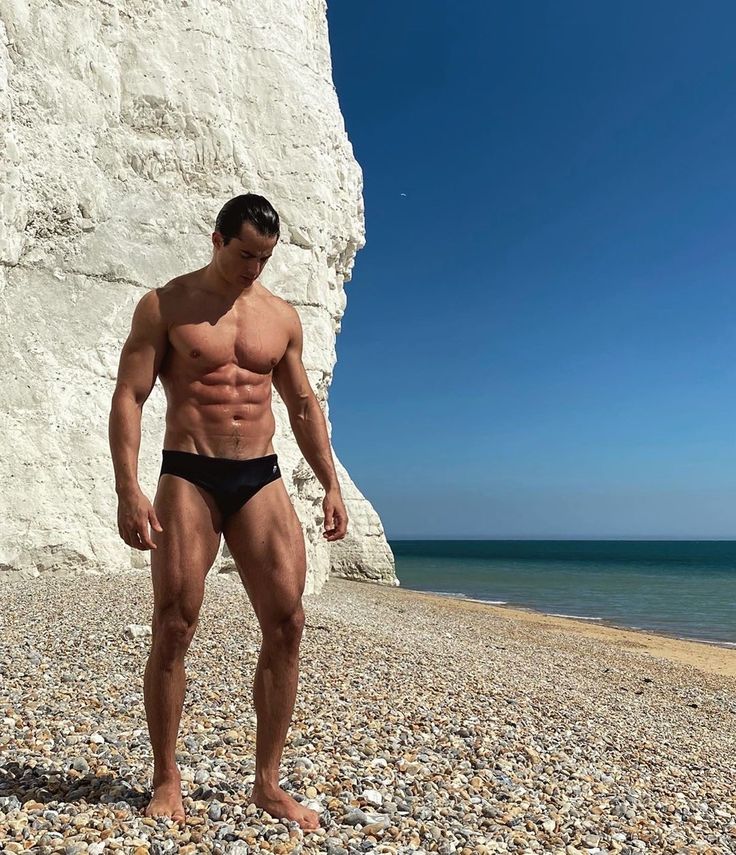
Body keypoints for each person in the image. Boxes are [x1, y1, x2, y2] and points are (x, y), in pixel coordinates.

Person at [108, 193, 348, 831]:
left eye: (264, 258)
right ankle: (165, 776)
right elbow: (130, 394)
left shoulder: (280, 317)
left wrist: (330, 483)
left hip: (258, 474)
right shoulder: (166, 306)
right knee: (176, 621)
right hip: (189, 471)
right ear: (217, 239)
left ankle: (267, 784)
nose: (254, 268)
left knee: (288, 621)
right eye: (244, 254)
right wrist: (128, 487)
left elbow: (300, 406)